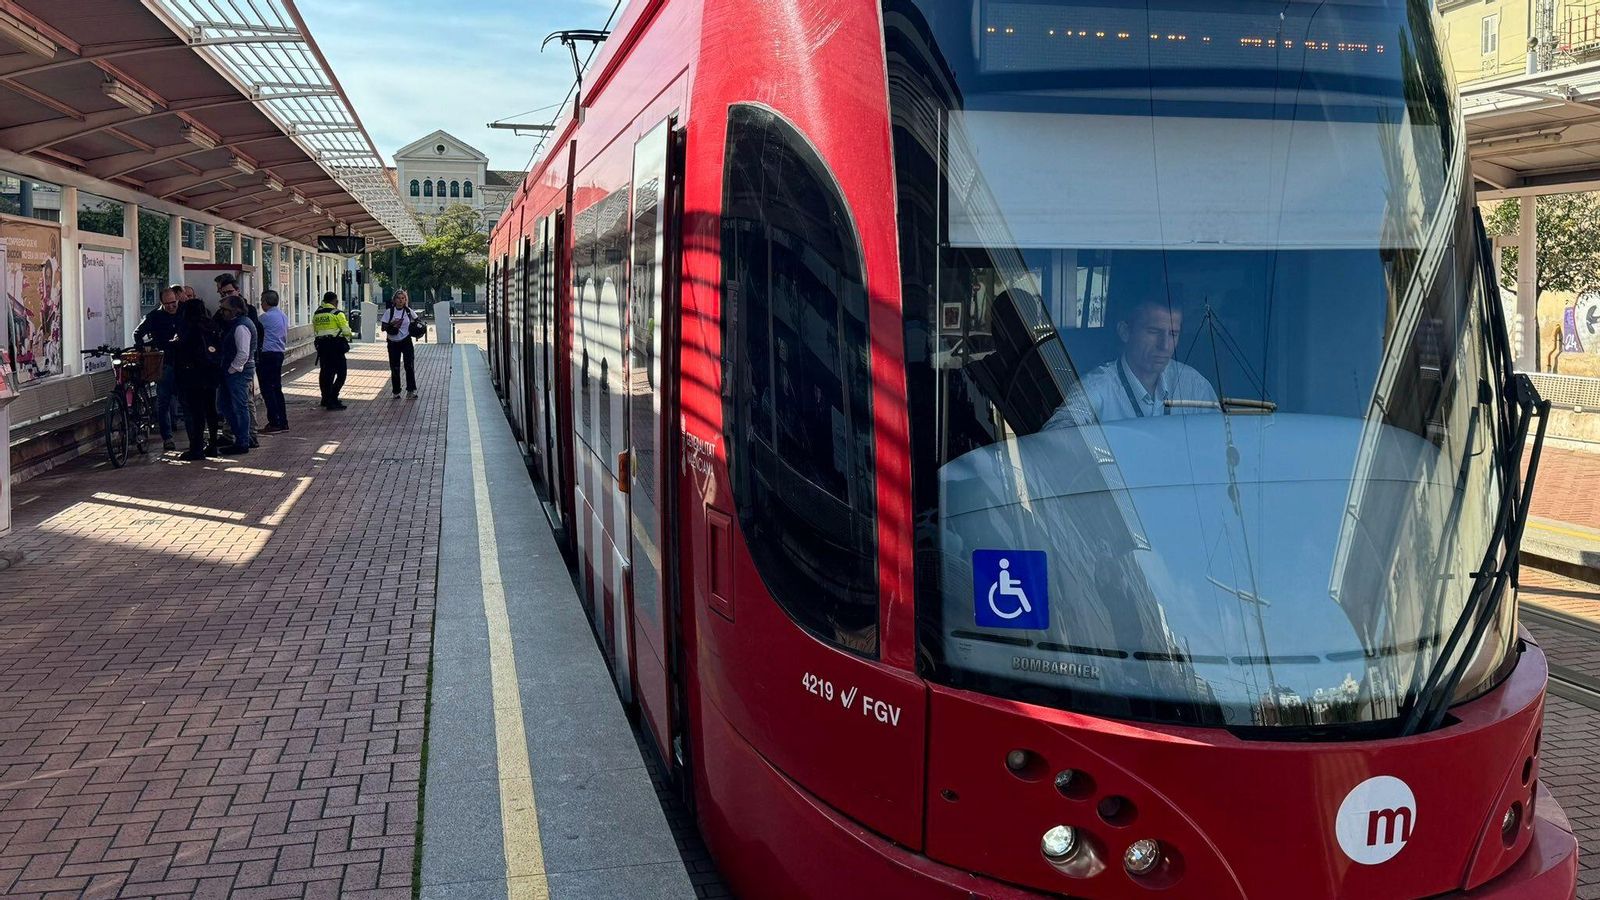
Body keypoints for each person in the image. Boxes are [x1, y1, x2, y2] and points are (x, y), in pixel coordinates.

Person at [1045, 299, 1217, 427]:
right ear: (1125, 332)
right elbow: (1058, 434)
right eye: (1154, 332)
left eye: (1173, 334)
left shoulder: (1194, 386)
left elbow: (1219, 443)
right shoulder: (1098, 387)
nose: (1164, 346)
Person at [133, 286, 185, 450]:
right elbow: (137, 333)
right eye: (167, 303)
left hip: (184, 363)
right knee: (163, 402)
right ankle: (167, 438)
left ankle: (194, 438)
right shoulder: (154, 317)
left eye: (174, 302)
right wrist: (144, 349)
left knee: (187, 400)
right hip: (165, 363)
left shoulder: (184, 313)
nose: (172, 306)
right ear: (162, 303)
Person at [174, 295, 222, 460]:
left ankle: (196, 448)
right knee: (211, 411)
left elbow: (182, 350)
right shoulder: (211, 325)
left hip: (193, 374)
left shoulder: (188, 326)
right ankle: (213, 445)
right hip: (211, 373)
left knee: (196, 413)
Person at [215, 295, 257, 455]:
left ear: (236, 310)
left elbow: (243, 353)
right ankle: (241, 437)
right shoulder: (236, 324)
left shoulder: (241, 327)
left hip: (238, 372)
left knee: (239, 406)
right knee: (225, 404)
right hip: (235, 370)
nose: (222, 313)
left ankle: (243, 441)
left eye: (225, 309)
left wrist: (232, 369)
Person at [312, 291, 354, 410]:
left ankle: (325, 398)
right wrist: (348, 337)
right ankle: (333, 398)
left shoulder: (317, 313)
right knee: (341, 373)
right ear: (335, 301)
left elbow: (315, 330)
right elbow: (346, 331)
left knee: (325, 373)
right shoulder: (337, 313)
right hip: (335, 346)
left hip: (322, 346)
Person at [257, 290, 290, 433]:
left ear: (266, 301)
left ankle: (274, 422)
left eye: (262, 300)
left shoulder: (265, 317)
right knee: (276, 388)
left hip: (267, 355)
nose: (261, 303)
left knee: (267, 389)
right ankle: (282, 421)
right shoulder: (282, 315)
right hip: (278, 353)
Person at [381, 290, 419, 398]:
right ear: (394, 300)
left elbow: (418, 322)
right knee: (395, 367)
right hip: (393, 342)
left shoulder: (408, 311)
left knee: (409, 366)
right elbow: (383, 328)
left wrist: (417, 331)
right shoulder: (389, 312)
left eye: (403, 298)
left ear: (405, 300)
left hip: (406, 341)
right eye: (398, 298)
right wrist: (392, 324)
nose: (401, 300)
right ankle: (396, 391)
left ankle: (411, 390)